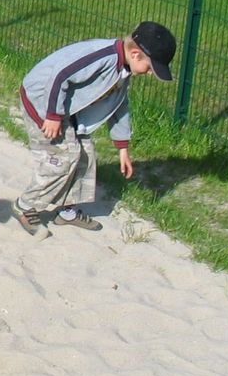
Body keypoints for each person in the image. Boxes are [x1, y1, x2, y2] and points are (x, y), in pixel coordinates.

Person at [13, 22, 176, 237]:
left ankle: (67, 211)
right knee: (63, 158)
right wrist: (52, 115)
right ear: (135, 54)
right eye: (150, 68)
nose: (149, 73)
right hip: (42, 102)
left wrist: (122, 147)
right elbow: (59, 75)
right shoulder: (101, 58)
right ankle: (25, 205)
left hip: (66, 109)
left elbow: (119, 104)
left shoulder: (123, 70)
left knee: (85, 156)